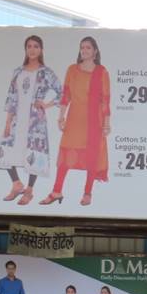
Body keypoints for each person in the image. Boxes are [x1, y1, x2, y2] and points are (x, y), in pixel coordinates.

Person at [0, 35, 61, 205]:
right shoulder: (18, 72)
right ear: (25, 49)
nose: (32, 49)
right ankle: (16, 184)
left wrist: (46, 105)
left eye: (36, 46)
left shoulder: (46, 73)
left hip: (35, 122)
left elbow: (64, 92)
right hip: (17, 119)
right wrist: (8, 122)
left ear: (41, 50)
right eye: (29, 46)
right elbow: (11, 97)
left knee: (33, 154)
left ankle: (29, 190)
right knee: (7, 151)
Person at [43, 36, 110, 207]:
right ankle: (57, 191)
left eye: (88, 47)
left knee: (92, 156)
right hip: (74, 119)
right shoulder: (72, 70)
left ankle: (87, 193)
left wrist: (106, 123)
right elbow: (66, 95)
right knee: (65, 156)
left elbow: (105, 100)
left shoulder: (102, 72)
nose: (84, 50)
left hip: (93, 121)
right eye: (82, 47)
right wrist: (61, 116)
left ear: (95, 51)